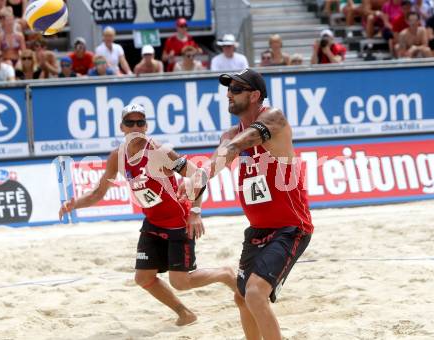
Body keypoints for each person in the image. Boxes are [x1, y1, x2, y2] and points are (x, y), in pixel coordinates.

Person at [59, 103, 235, 326]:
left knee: (180, 282)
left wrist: (196, 212)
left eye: (139, 122)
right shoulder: (117, 156)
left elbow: (199, 175)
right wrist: (74, 205)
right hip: (153, 223)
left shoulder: (159, 151)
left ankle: (225, 274)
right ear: (121, 126)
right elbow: (98, 192)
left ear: (146, 126)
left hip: (178, 223)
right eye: (129, 122)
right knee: (143, 278)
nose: (135, 126)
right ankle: (184, 313)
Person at [179, 68, 313, 340]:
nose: (229, 94)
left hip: (291, 228)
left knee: (254, 293)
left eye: (236, 89)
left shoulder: (273, 119)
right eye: (228, 89)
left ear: (254, 95)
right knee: (242, 298)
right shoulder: (229, 134)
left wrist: (199, 174)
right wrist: (195, 207)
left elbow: (234, 148)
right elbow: (220, 158)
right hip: (257, 231)